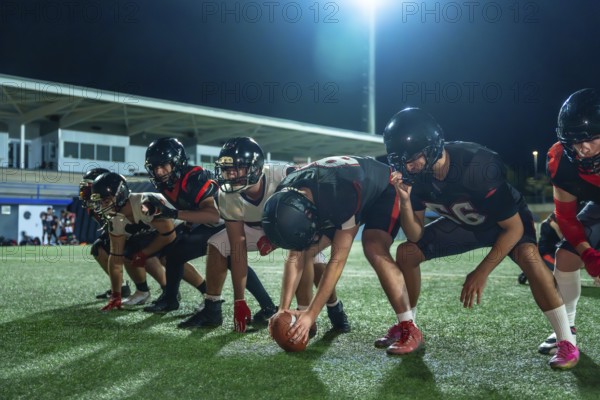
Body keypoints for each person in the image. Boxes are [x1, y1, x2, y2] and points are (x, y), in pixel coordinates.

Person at [383, 107, 578, 369]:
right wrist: (404, 201)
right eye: (401, 160)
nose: (407, 166)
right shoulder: (415, 177)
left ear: (432, 147)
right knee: (406, 252)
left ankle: (567, 340)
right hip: (466, 224)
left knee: (530, 257)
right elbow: (415, 234)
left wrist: (481, 270)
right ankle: (409, 326)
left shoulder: (477, 165)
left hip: (506, 224)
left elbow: (513, 229)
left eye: (413, 158)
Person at [179, 137, 345, 333]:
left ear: (255, 167)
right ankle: (212, 307)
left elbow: (310, 213)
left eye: (237, 168)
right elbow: (237, 246)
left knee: (313, 262)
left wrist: (275, 240)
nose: (230, 174)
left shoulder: (284, 175)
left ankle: (331, 309)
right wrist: (239, 300)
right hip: (254, 228)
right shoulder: (226, 195)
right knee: (217, 245)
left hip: (294, 226)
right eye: (226, 169)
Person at [262, 155, 421, 354]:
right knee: (306, 250)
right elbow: (296, 254)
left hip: (382, 190)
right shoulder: (286, 194)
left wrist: (312, 313)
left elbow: (337, 261)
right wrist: (282, 311)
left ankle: (408, 326)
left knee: (373, 245)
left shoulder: (341, 196)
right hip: (334, 194)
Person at [142, 137, 277, 320]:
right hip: (211, 224)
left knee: (223, 257)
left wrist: (173, 214)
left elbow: (212, 214)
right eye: (155, 167)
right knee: (174, 255)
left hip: (225, 222)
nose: (159, 171)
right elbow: (193, 207)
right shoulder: (168, 183)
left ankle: (184, 301)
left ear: (177, 162)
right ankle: (176, 298)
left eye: (164, 165)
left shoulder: (195, 177)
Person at [537, 88, 600, 357]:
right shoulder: (561, 160)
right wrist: (589, 255)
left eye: (592, 138)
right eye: (575, 140)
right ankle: (567, 327)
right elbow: (565, 216)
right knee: (565, 257)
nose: (584, 148)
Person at [90, 172, 182, 311]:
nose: (103, 206)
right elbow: (116, 258)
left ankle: (206, 295)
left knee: (171, 257)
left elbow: (169, 235)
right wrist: (116, 295)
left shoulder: (144, 204)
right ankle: (144, 291)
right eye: (100, 202)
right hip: (159, 233)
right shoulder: (116, 218)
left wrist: (144, 253)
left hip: (182, 227)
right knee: (130, 252)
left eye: (106, 200)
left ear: (120, 194)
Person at [517, 212, 559, 285]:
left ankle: (529, 270)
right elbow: (563, 237)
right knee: (560, 266)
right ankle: (528, 271)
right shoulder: (552, 223)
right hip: (546, 252)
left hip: (551, 251)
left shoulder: (551, 222)